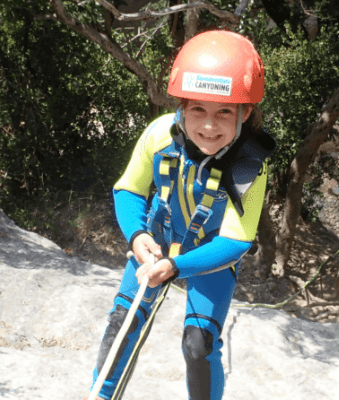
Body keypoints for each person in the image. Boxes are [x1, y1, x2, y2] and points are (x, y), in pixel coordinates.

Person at [85, 30, 277, 400]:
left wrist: (176, 268)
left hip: (210, 255)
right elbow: (129, 189)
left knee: (198, 344)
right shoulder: (160, 134)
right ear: (182, 107)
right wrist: (138, 236)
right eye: (198, 110)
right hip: (156, 240)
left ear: (246, 113)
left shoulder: (250, 165)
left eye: (224, 112)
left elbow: (237, 240)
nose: (209, 125)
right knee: (122, 326)